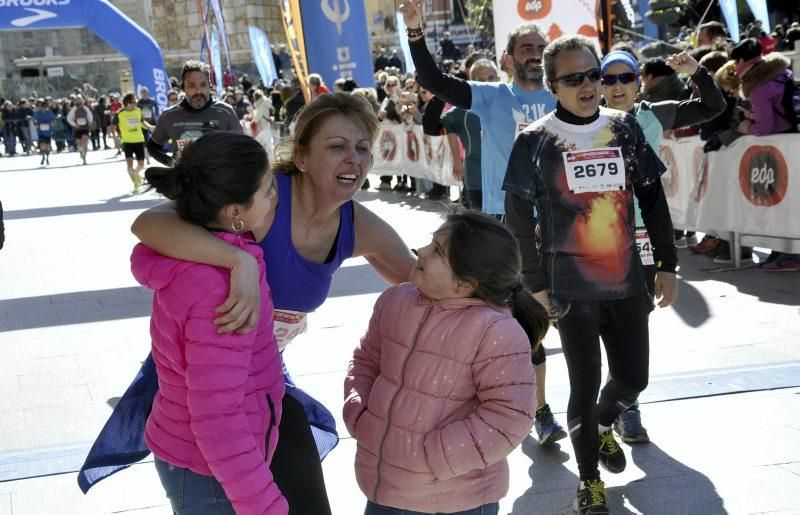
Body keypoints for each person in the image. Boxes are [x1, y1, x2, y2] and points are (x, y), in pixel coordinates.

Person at [79, 93, 416, 515]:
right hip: (207, 379)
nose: (355, 159)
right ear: (303, 157)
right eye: (337, 146)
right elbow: (147, 222)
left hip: (264, 383)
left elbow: (424, 277)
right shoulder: (265, 195)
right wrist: (236, 259)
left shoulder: (356, 223)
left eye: (363, 147)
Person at [503, 34, 678, 513]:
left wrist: (667, 263)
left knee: (633, 380)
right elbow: (517, 220)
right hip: (569, 289)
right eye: (573, 78)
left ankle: (601, 428)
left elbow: (653, 199)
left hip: (626, 281)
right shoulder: (535, 141)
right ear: (552, 85)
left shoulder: (623, 128)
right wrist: (535, 286)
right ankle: (588, 482)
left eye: (593, 75)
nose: (587, 86)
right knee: (584, 383)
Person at [400, 0, 565, 447]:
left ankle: (610, 406)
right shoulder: (494, 96)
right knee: (520, 318)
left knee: (567, 317)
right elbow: (434, 82)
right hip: (505, 224)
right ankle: (540, 409)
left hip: (557, 222)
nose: (533, 53)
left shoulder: (564, 99)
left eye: (539, 47)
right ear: (510, 60)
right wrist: (416, 32)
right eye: (525, 47)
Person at [345, 211, 549, 515]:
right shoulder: (396, 300)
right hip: (383, 489)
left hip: (456, 500)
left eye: (438, 251)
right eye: (430, 242)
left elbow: (510, 415)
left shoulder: (495, 331)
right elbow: (365, 360)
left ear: (466, 282)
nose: (422, 251)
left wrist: (436, 457)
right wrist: (359, 410)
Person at [134, 131, 288, 514]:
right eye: (268, 190)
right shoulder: (221, 294)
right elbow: (218, 419)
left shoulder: (208, 256)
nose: (276, 197)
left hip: (194, 457)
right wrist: (266, 506)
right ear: (235, 212)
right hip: (210, 473)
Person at [600, 49, 724, 442]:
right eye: (610, 79)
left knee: (634, 322)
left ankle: (625, 405)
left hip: (643, 233)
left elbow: (712, 107)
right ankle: (612, 406)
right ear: (600, 84)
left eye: (626, 78)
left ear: (639, 81)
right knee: (605, 323)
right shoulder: (587, 120)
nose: (618, 86)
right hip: (597, 236)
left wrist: (697, 71)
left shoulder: (656, 113)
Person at [147, 60, 242, 166]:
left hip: (219, 180)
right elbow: (152, 146)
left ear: (209, 86)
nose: (198, 91)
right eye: (192, 85)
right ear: (183, 87)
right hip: (184, 181)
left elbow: (241, 147)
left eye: (203, 85)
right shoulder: (169, 116)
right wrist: (172, 164)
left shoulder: (226, 112)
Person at [117, 92, 155, 193]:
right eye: (133, 102)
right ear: (127, 103)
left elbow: (142, 123)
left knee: (141, 165)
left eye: (136, 101)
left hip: (139, 140)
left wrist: (149, 127)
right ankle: (136, 184)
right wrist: (117, 137)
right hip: (127, 142)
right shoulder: (120, 114)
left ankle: (136, 174)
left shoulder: (138, 110)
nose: (135, 103)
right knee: (129, 166)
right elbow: (114, 126)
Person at [66, 95, 93, 165]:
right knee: (79, 143)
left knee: (85, 140)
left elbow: (90, 116)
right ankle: (80, 151)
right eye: (77, 100)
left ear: (82, 100)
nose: (78, 101)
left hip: (85, 127)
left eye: (80, 99)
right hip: (77, 128)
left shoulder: (85, 108)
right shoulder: (73, 109)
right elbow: (68, 118)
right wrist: (75, 124)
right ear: (75, 101)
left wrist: (90, 121)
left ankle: (85, 158)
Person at [137, 86, 159, 164]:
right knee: (145, 140)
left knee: (155, 138)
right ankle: (147, 158)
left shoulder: (151, 101)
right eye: (142, 93)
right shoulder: (139, 102)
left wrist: (156, 115)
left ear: (147, 93)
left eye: (145, 92)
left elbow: (157, 106)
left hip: (152, 122)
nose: (144, 94)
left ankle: (156, 153)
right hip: (144, 124)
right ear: (140, 94)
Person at [33, 98, 56, 166]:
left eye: (45, 107)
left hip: (48, 132)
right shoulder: (37, 113)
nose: (43, 109)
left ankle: (47, 158)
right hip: (40, 132)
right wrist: (35, 124)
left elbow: (54, 120)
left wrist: (52, 123)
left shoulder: (50, 113)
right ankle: (43, 157)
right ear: (40, 107)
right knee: (42, 145)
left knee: (48, 146)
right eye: (42, 107)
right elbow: (33, 119)